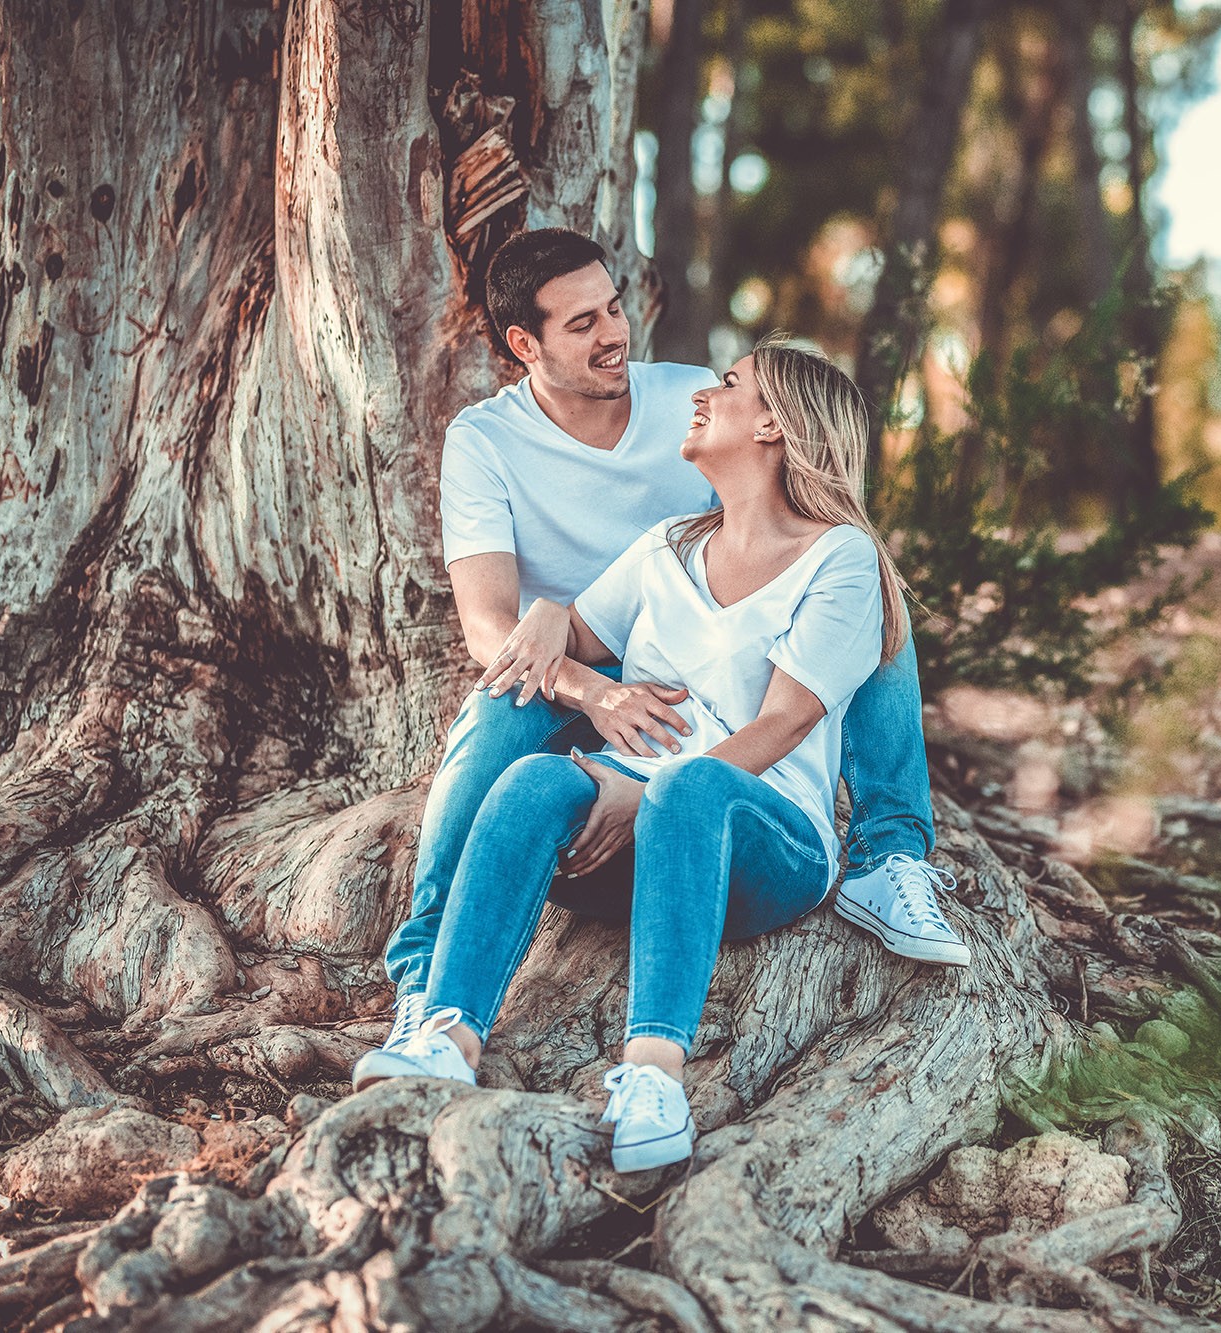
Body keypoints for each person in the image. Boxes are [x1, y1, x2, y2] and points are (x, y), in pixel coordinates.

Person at [362, 230, 968, 1086]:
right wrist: (579, 677)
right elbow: (488, 627)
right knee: (504, 715)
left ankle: (889, 851)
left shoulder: (689, 402)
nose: (614, 333)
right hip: (582, 656)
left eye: (614, 307)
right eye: (583, 324)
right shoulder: (488, 441)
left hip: (700, 675)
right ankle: (429, 988)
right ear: (525, 346)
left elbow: (782, 533)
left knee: (870, 593)